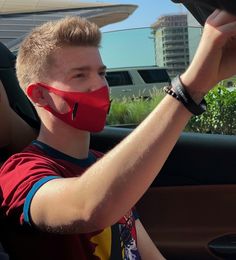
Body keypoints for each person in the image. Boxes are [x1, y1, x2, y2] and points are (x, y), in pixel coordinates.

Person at [0, 9, 236, 260]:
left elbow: (145, 252)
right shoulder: (19, 174)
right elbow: (89, 207)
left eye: (101, 73)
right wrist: (188, 91)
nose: (100, 85)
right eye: (80, 75)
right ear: (40, 95)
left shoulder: (103, 164)